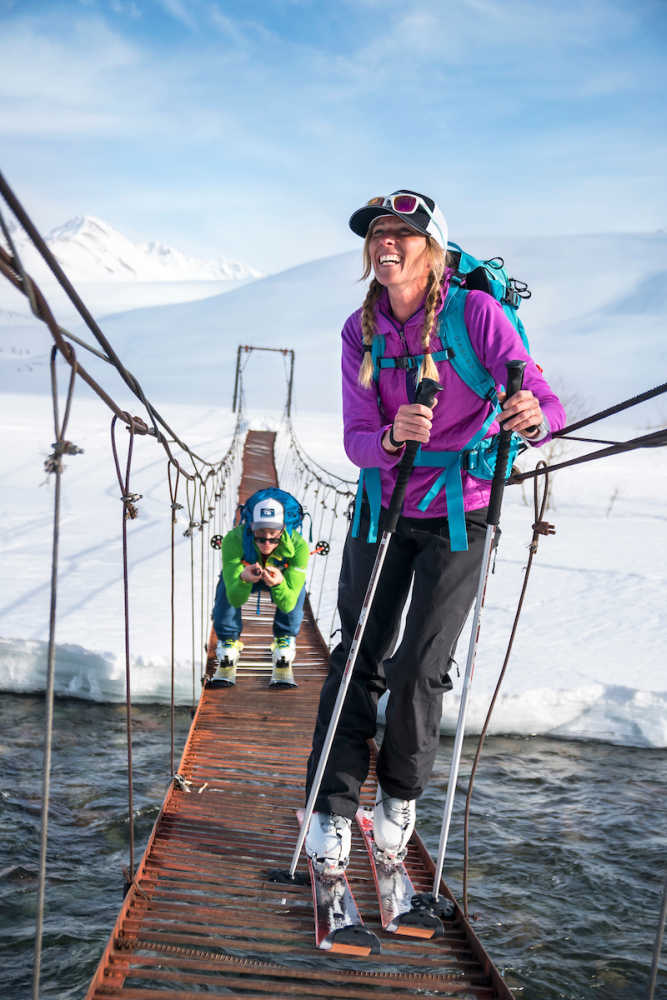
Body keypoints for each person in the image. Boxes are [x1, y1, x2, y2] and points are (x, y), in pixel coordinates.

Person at [304, 189, 566, 875]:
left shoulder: (474, 314)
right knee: (357, 652)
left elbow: (541, 396)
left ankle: (397, 799)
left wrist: (531, 417)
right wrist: (390, 436)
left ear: (434, 249)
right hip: (381, 507)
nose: (385, 244)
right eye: (376, 234)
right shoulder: (359, 331)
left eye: (402, 234)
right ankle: (329, 808)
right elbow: (357, 434)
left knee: (420, 666)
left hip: (462, 505)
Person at [210, 493, 310, 688]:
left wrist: (280, 583)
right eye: (260, 536)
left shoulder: (299, 547)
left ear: (283, 530)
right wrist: (243, 579)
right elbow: (235, 597)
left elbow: (288, 602)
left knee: (297, 591)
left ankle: (284, 643)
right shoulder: (233, 540)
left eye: (274, 538)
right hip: (249, 575)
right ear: (251, 528)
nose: (267, 543)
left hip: (280, 577)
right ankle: (228, 644)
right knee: (225, 584)